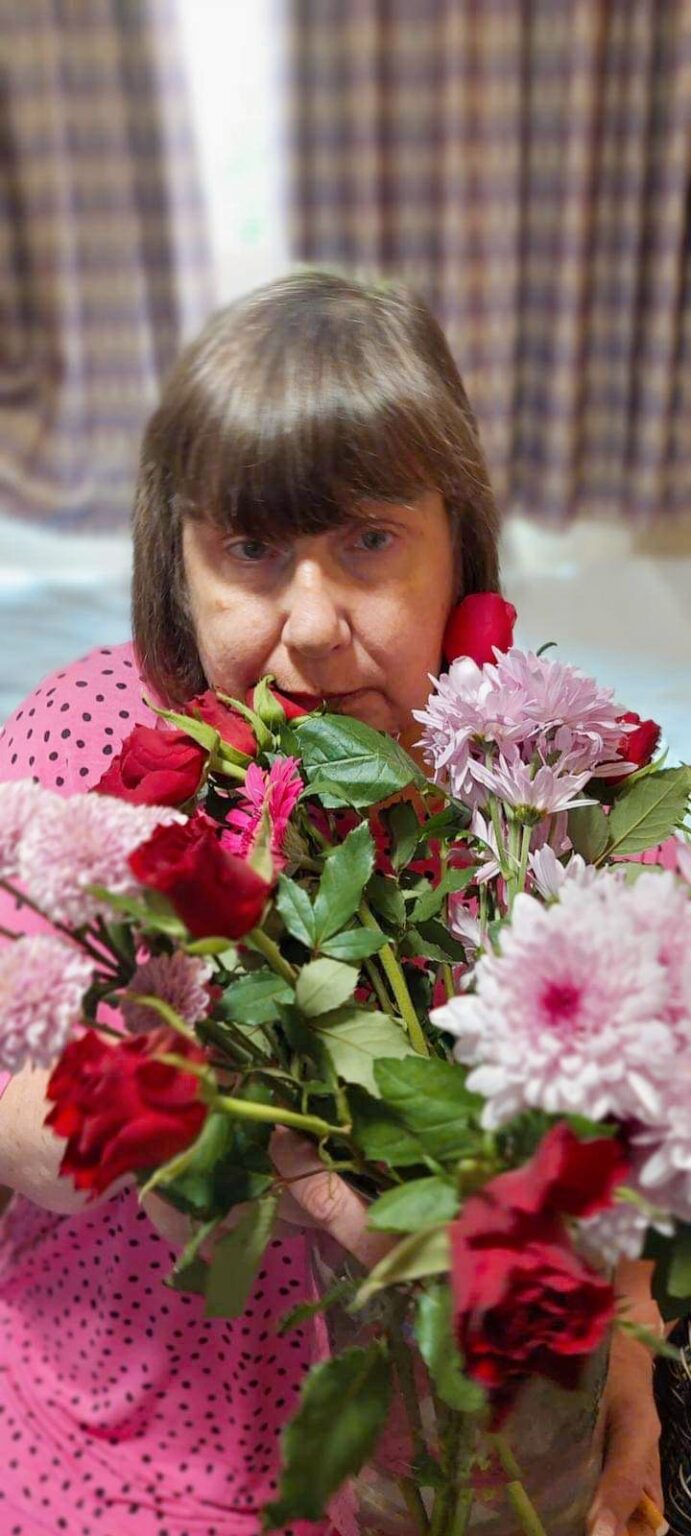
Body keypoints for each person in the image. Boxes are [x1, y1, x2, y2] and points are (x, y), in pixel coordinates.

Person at [0, 271, 665, 1536]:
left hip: (455, 1472)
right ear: (175, 562)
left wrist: (626, 1348)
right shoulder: (90, 736)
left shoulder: (552, 791)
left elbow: (634, 1140)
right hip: (120, 1441)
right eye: (250, 551)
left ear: (457, 543)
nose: (309, 626)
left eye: (368, 540)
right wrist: (153, 1115)